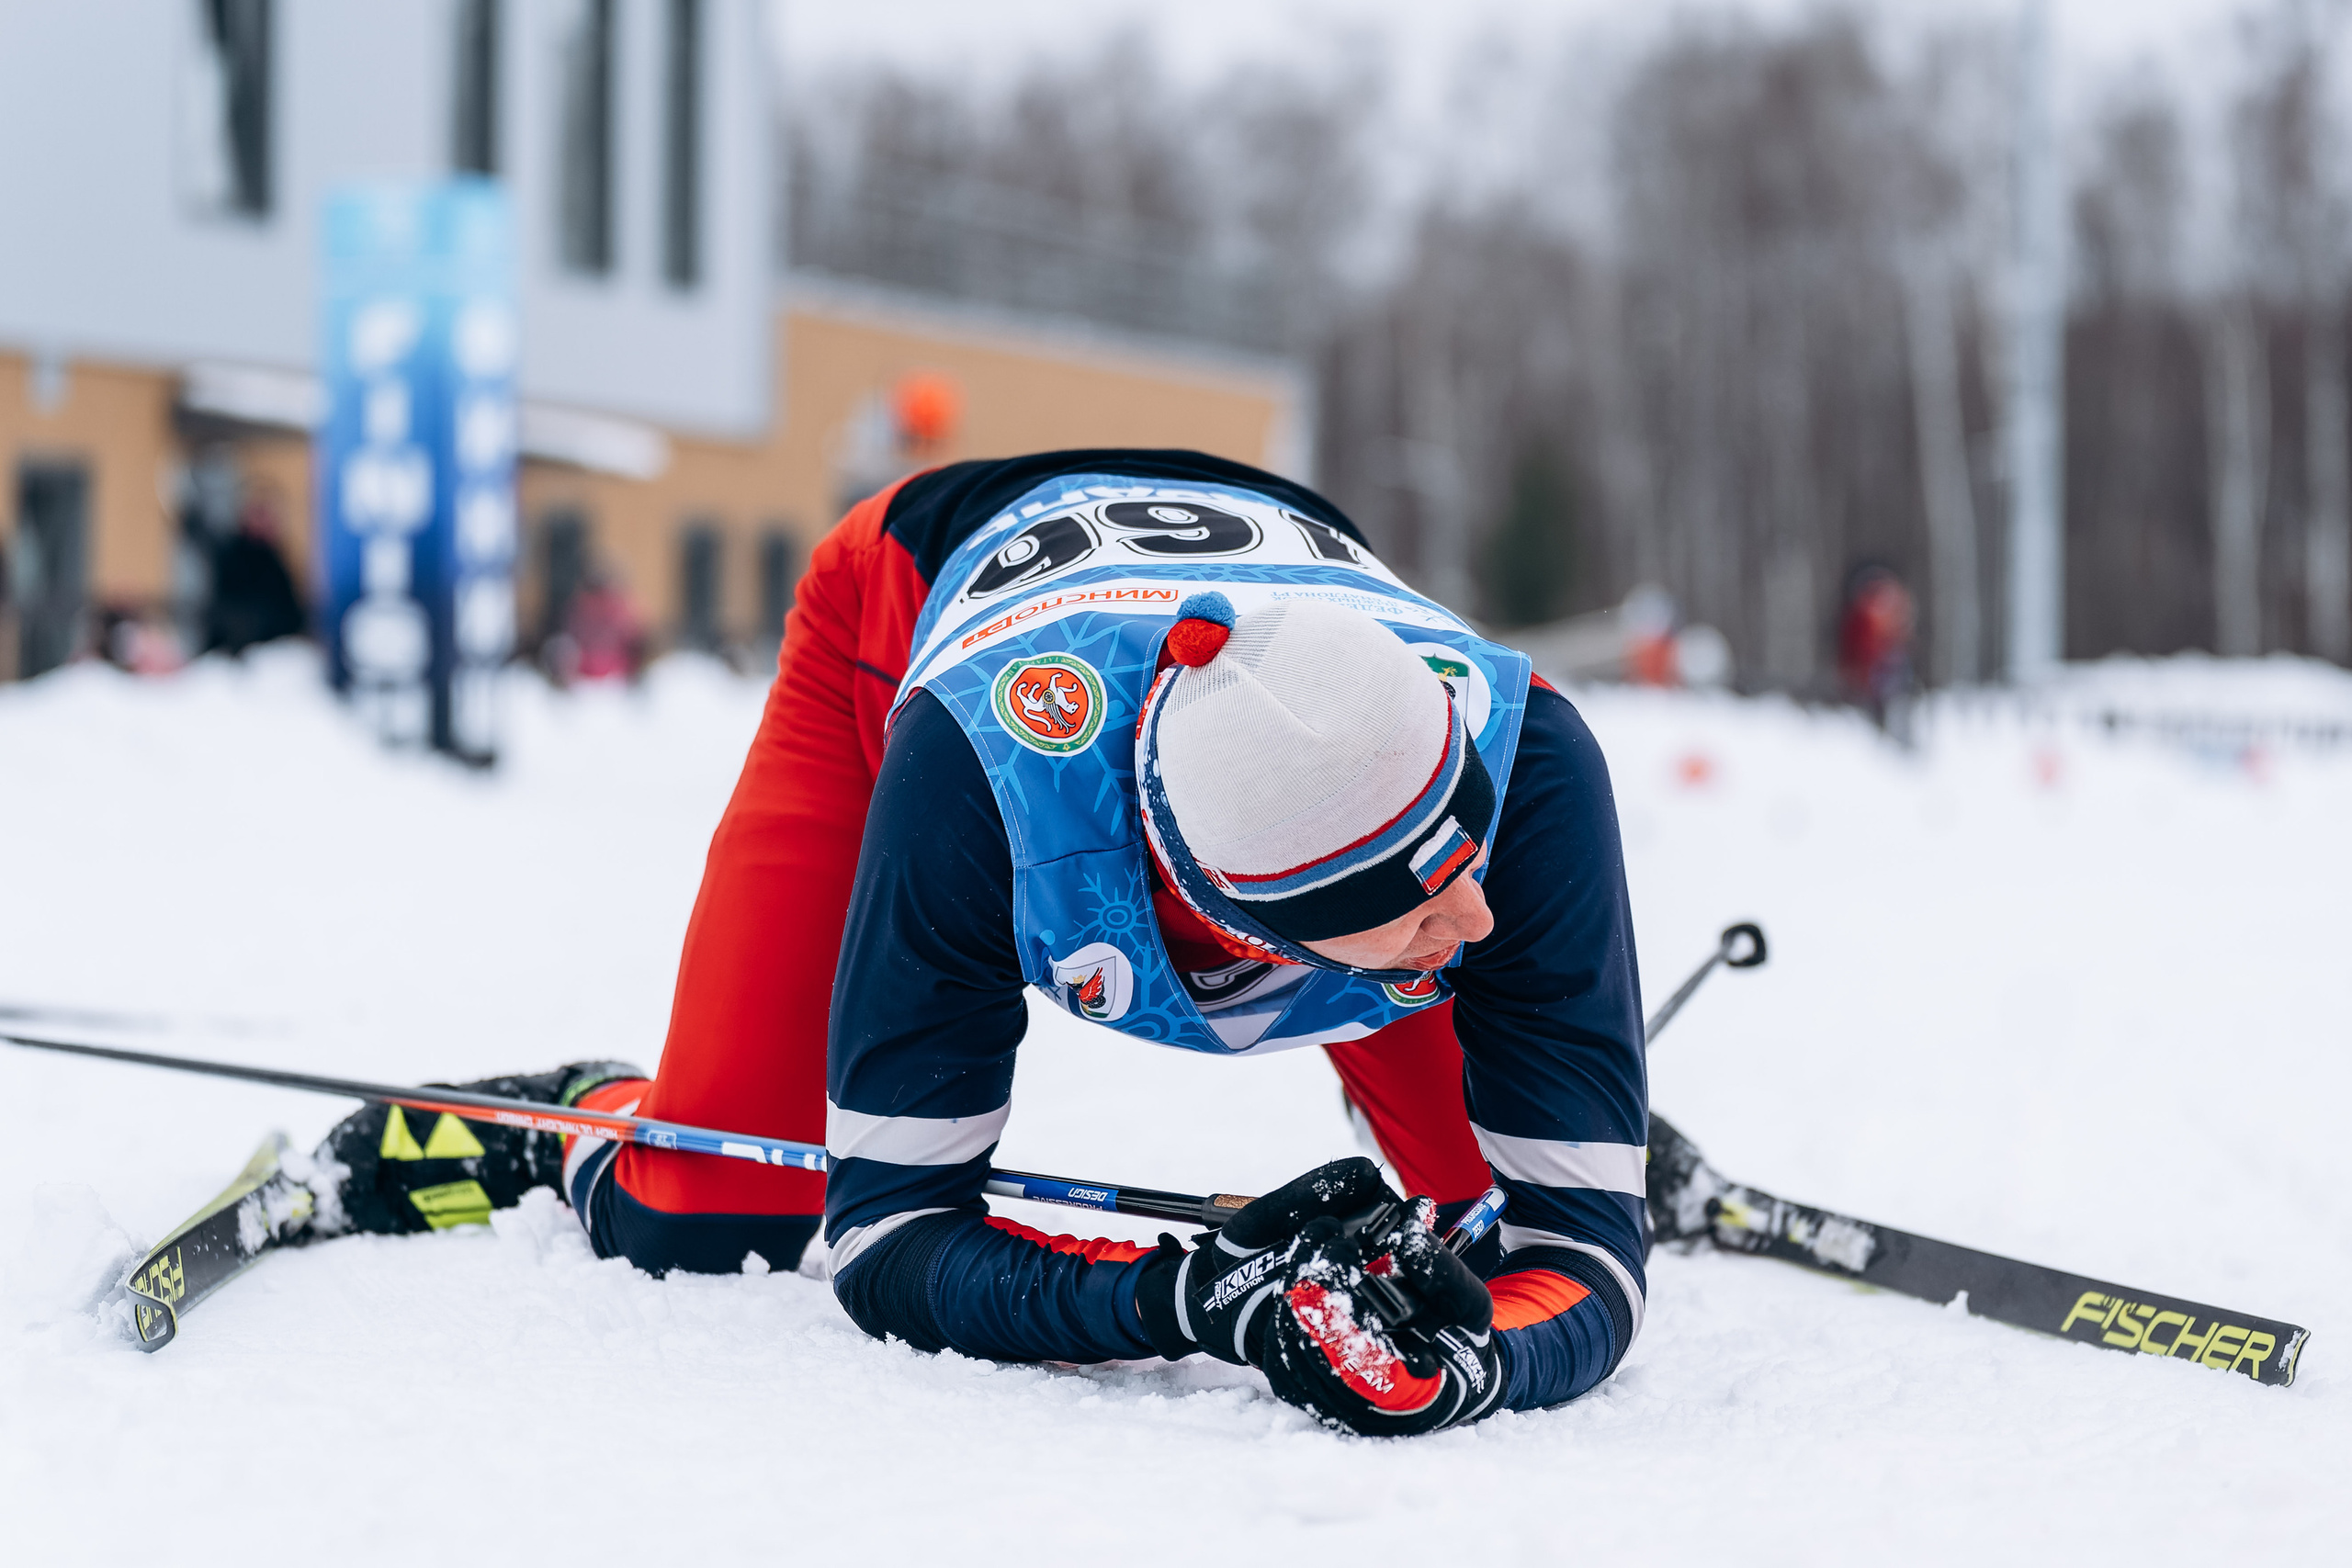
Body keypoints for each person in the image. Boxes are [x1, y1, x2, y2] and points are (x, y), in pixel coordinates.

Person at [304, 451, 1648, 1436]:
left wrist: (1494, 1350)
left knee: (1479, 1249)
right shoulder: (977, 794)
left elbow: (1582, 1272)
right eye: (1417, 902)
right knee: (719, 1215)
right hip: (901, 620)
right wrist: (1194, 1301)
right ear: (1249, 923)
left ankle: (1557, 1098)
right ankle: (573, 1125)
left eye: (1466, 863)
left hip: (1281, 616)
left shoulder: (1524, 768)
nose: (1478, 918)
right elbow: (889, 1243)